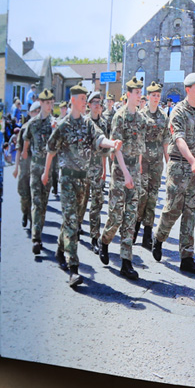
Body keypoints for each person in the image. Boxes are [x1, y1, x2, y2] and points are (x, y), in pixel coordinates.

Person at [43, 84, 121, 286]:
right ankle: (73, 269)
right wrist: (46, 173)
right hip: (67, 179)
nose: (85, 102)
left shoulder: (88, 124)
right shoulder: (63, 125)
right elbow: (51, 150)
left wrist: (112, 144)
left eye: (86, 99)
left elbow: (99, 137)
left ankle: (60, 250)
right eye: (82, 99)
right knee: (72, 223)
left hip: (83, 180)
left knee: (73, 221)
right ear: (73, 101)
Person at [152, 73, 195, 275]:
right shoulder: (178, 111)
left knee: (191, 212)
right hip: (179, 167)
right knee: (172, 210)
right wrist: (192, 160)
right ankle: (158, 238)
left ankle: (187, 257)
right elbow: (179, 139)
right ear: (188, 89)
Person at [99, 77, 151, 280]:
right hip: (120, 174)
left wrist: (137, 169)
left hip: (134, 174)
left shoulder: (141, 119)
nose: (140, 96)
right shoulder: (119, 117)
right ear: (128, 94)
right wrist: (127, 173)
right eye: (137, 92)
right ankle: (104, 242)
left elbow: (139, 149)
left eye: (140, 92)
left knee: (130, 217)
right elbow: (116, 149)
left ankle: (126, 262)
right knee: (115, 217)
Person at [22, 88, 56, 255]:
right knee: (36, 202)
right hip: (35, 168)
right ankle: (36, 238)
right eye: (47, 103)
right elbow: (26, 141)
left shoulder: (54, 124)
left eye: (51, 102)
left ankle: (38, 231)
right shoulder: (33, 123)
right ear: (41, 103)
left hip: (48, 169)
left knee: (43, 204)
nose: (50, 105)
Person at [136, 81, 170, 250]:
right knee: (141, 195)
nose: (156, 98)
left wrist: (168, 161)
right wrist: (139, 162)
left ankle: (147, 233)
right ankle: (135, 226)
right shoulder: (141, 115)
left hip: (156, 163)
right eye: (153, 95)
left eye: (158, 95)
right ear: (148, 96)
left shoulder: (164, 116)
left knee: (153, 197)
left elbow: (165, 141)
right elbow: (138, 140)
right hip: (142, 162)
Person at [82, 92, 109, 249]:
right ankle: (78, 225)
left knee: (97, 203)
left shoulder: (104, 124)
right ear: (89, 105)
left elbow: (105, 151)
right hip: (84, 169)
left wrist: (105, 170)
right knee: (82, 202)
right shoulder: (83, 123)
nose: (97, 105)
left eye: (99, 102)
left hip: (98, 169)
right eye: (94, 102)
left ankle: (94, 236)